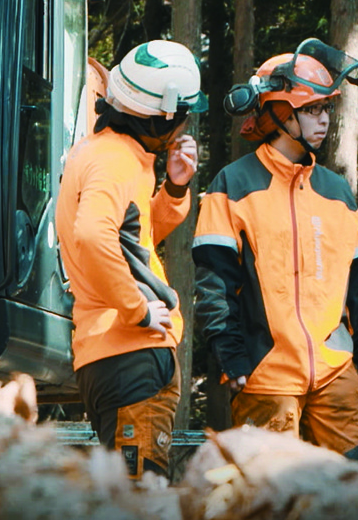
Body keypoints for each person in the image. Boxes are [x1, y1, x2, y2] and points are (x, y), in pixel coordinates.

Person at [192, 40, 358, 464]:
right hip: (266, 375)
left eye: (327, 109)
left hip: (335, 372)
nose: (324, 120)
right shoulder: (233, 185)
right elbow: (214, 284)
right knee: (271, 498)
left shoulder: (337, 192)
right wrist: (230, 355)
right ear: (280, 113)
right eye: (312, 109)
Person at [57, 39, 205, 479]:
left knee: (127, 494)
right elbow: (91, 235)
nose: (181, 128)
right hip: (131, 354)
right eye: (181, 117)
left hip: (112, 353)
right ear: (162, 115)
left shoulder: (109, 153)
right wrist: (137, 309)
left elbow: (132, 239)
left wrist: (175, 189)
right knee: (140, 497)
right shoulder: (115, 161)